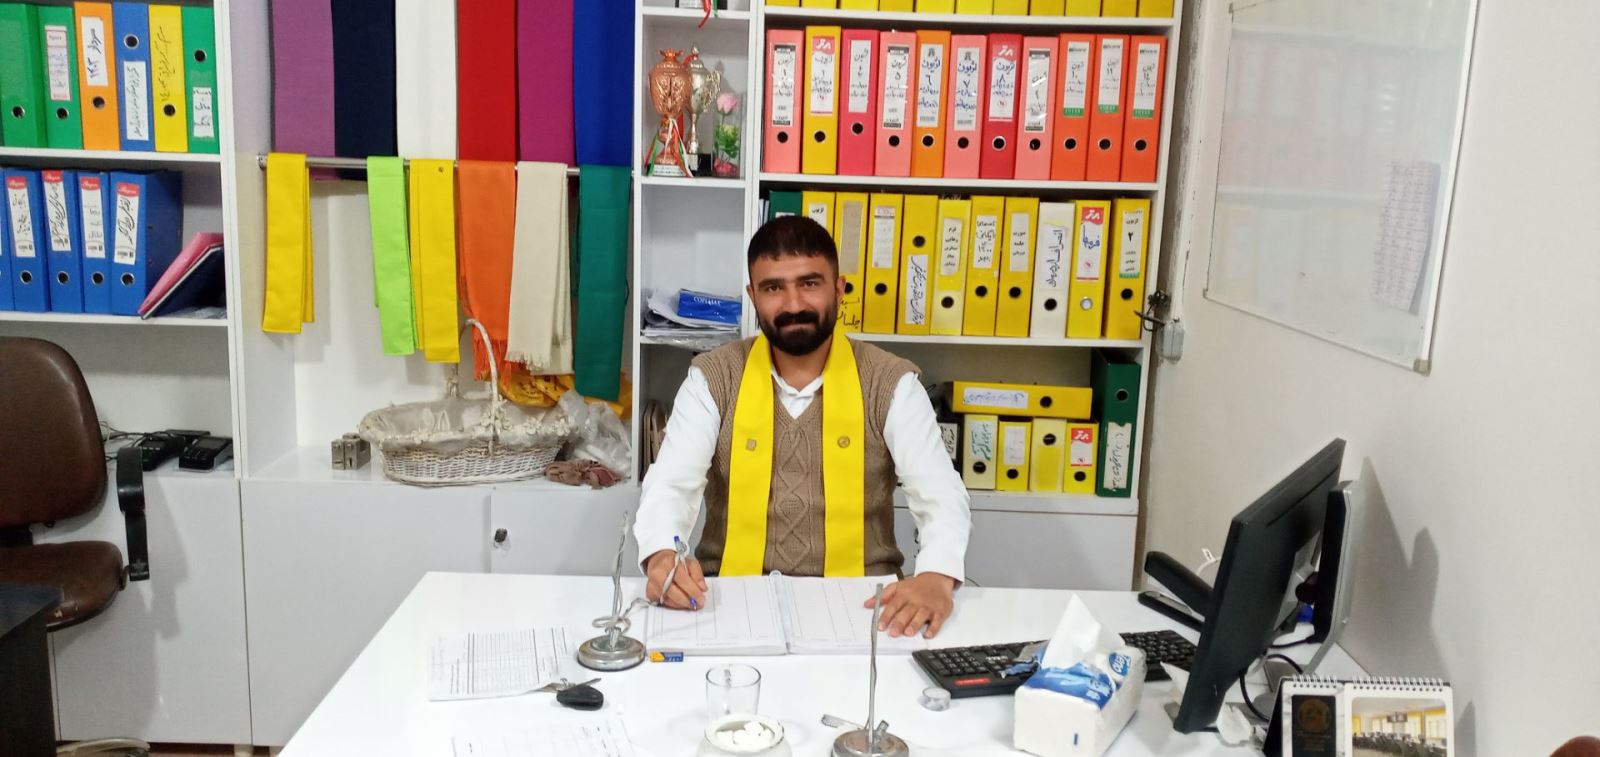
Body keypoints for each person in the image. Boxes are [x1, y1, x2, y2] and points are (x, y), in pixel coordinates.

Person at [634, 215, 972, 639]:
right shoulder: (713, 378)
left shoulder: (891, 382)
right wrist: (662, 556)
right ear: (753, 296)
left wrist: (936, 576)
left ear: (839, 288)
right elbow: (671, 485)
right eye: (773, 288)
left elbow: (940, 493)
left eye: (809, 283)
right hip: (725, 601)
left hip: (868, 606)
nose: (793, 304)